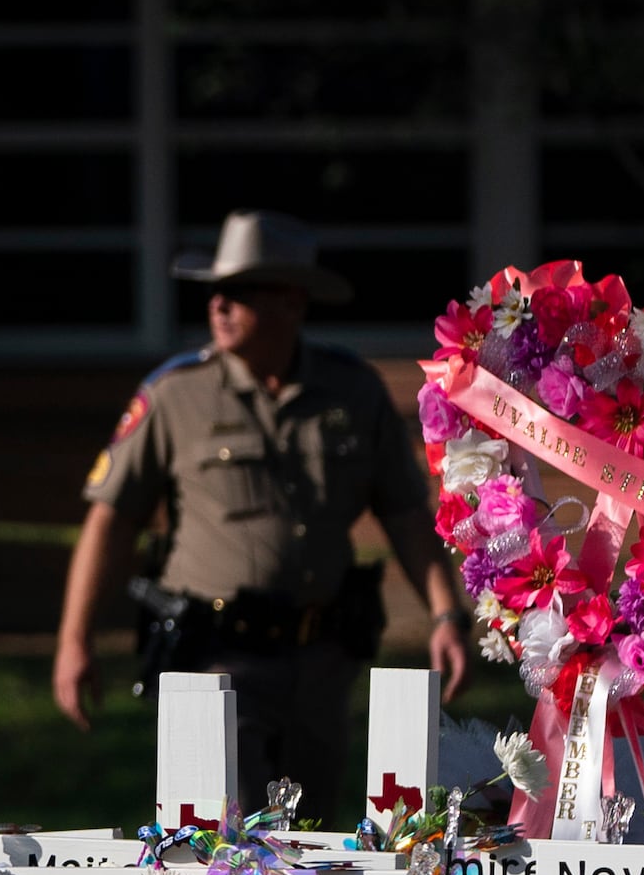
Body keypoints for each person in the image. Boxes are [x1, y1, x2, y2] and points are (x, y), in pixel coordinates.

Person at [51, 210, 468, 823]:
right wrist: (73, 641)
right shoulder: (175, 395)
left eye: (242, 291)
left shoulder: (352, 392)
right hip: (214, 658)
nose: (219, 305)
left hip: (322, 658)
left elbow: (405, 513)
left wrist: (446, 613)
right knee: (224, 839)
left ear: (293, 301)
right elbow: (111, 520)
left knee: (316, 842)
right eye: (215, 291)